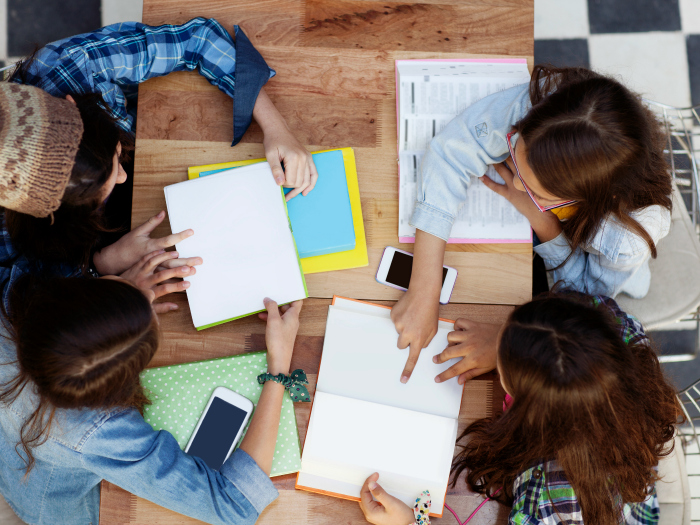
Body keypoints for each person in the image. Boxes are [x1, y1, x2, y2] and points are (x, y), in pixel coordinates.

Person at [0, 17, 318, 308]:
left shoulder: (68, 67)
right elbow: (28, 302)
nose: (123, 177)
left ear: (71, 105)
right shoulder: (8, 234)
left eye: (115, 157)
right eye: (101, 187)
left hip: (154, 140)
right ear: (45, 211)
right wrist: (103, 266)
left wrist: (276, 127)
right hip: (88, 256)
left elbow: (199, 41)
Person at [391, 66, 673, 382]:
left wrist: (543, 222)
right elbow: (454, 148)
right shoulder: (555, 104)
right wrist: (425, 286)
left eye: (535, 191)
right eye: (515, 151)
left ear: (582, 201)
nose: (514, 180)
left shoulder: (624, 239)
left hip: (599, 268)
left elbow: (585, 298)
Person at [0, 264, 304, 525]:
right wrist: (279, 366)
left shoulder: (11, 295)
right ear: (119, 382)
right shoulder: (102, 431)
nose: (148, 294)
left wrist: (108, 279)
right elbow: (235, 505)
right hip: (50, 506)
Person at [359, 293, 680, 525]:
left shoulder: (544, 501)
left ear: (533, 412)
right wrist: (506, 340)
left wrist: (409, 523)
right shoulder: (614, 325)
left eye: (504, 370)